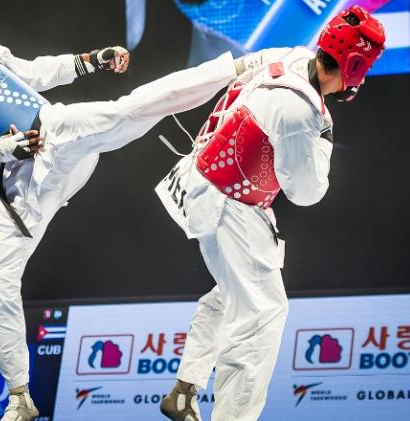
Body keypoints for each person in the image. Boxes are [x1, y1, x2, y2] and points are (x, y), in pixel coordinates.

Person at [0, 1, 248, 419]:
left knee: (128, 109)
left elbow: (35, 73)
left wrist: (89, 61)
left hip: (57, 136)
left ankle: (238, 67)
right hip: (21, 186)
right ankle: (20, 398)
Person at [156, 6, 386, 421]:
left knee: (234, 292)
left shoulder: (293, 57)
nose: (364, 77)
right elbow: (306, 191)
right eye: (365, 67)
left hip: (209, 180)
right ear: (353, 65)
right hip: (229, 206)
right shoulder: (301, 112)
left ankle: (185, 389)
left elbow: (247, 68)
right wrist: (325, 134)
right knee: (263, 313)